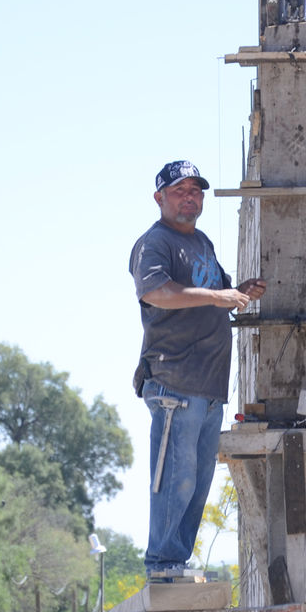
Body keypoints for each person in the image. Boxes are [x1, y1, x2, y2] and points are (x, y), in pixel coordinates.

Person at [130, 160, 266, 580]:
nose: (189, 197)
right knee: (176, 478)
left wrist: (238, 292)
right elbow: (157, 292)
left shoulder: (200, 241)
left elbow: (215, 295)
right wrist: (217, 296)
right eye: (179, 191)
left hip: (208, 388)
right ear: (159, 198)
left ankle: (177, 564)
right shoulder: (155, 242)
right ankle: (163, 565)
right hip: (175, 383)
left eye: (195, 190)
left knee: (197, 483)